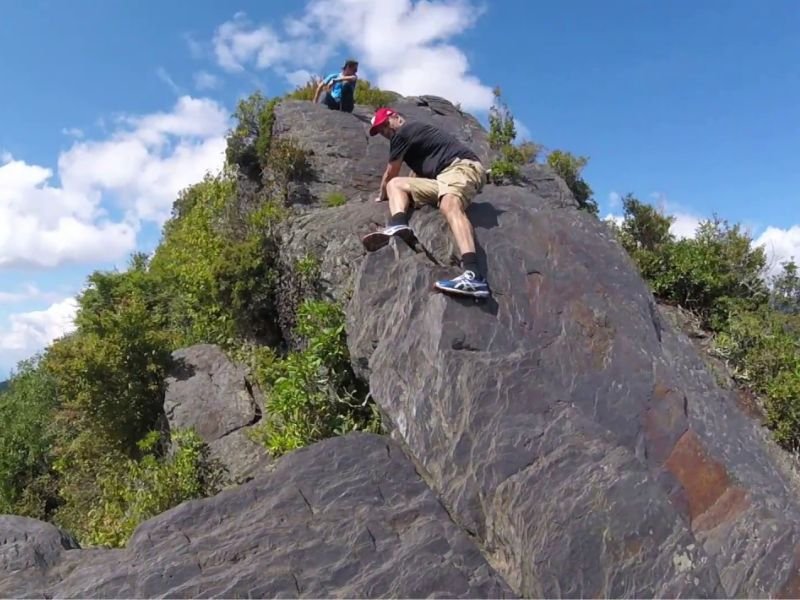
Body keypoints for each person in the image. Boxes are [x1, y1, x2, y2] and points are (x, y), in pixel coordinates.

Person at [362, 107, 490, 298]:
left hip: (461, 168)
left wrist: (381, 196)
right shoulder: (415, 143)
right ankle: (399, 224)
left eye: (385, 125)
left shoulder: (404, 132)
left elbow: (391, 172)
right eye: (380, 131)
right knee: (396, 185)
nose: (384, 132)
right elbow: (412, 176)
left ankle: (474, 275)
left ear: (396, 117)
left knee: (449, 204)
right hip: (443, 178)